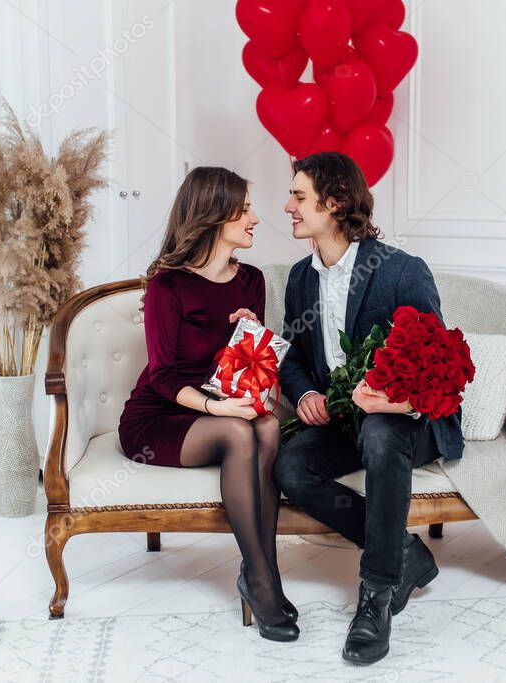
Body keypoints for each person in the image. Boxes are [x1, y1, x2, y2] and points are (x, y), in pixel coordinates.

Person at [274, 152, 464, 664]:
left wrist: (388, 398)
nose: (288, 205)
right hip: (341, 418)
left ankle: (377, 595)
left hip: (405, 422)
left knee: (381, 431)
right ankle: (405, 553)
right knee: (290, 465)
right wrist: (308, 395)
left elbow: (438, 363)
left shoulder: (401, 271)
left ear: (334, 203)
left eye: (298, 195)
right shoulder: (299, 279)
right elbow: (292, 355)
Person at [118, 167, 298, 642]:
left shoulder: (252, 281)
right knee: (241, 431)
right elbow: (160, 375)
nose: (256, 218)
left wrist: (245, 335)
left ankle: (265, 571)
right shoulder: (168, 286)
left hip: (212, 405)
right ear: (215, 216)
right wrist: (219, 410)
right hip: (158, 417)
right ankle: (260, 580)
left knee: (268, 427)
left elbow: (239, 372)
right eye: (244, 210)